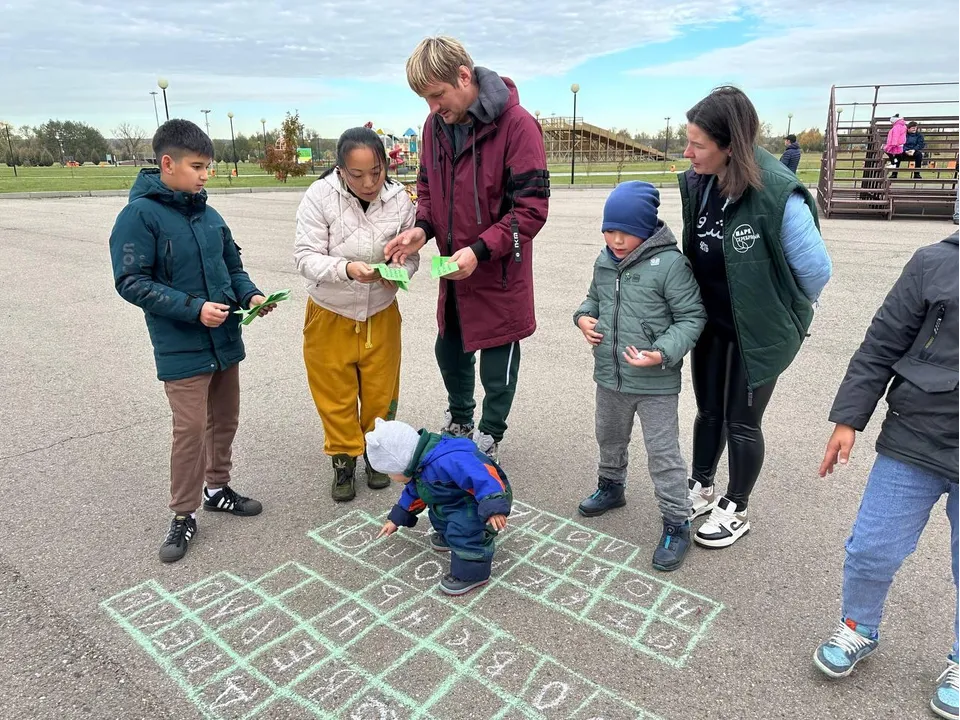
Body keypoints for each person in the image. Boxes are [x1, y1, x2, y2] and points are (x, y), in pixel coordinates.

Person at [108, 119, 276, 564]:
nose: (205, 176)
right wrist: (192, 308)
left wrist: (252, 294)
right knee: (189, 431)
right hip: (181, 345)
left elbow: (232, 268)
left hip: (224, 338)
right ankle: (183, 512)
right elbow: (130, 281)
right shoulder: (138, 216)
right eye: (197, 166)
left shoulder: (209, 214)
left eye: (208, 167)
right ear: (167, 163)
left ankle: (217, 488)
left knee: (225, 418)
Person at [812, 229, 959, 720]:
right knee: (872, 547)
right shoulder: (933, 262)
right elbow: (880, 344)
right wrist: (849, 418)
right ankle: (858, 627)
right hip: (916, 435)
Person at [383, 35, 550, 463]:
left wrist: (479, 250)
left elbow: (531, 211)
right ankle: (460, 419)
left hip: (498, 272)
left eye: (437, 95)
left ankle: (491, 433)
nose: (433, 108)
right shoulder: (434, 126)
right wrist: (421, 230)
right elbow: (428, 189)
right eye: (425, 99)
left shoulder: (518, 125)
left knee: (497, 365)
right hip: (454, 271)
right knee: (450, 349)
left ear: (463, 76)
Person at [679, 86, 833, 548]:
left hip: (758, 330)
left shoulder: (778, 193)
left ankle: (736, 506)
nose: (688, 153)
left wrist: (782, 317)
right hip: (713, 322)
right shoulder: (697, 181)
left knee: (742, 420)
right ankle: (701, 485)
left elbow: (815, 273)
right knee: (709, 411)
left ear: (731, 146)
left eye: (698, 145)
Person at [573, 182, 706, 571]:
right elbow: (593, 299)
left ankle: (677, 522)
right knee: (608, 435)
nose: (615, 239)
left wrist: (662, 351)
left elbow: (692, 317)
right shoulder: (604, 260)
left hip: (655, 384)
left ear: (646, 229)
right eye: (609, 230)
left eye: (625, 231)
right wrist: (582, 318)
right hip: (610, 376)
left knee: (663, 455)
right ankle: (612, 486)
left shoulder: (669, 265)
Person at [294, 127, 420, 502]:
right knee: (335, 393)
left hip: (381, 311)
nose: (369, 182)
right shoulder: (320, 196)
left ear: (386, 164)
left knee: (381, 391)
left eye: (376, 171)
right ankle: (343, 458)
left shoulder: (400, 200)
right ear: (340, 170)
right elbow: (304, 256)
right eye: (357, 174)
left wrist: (399, 273)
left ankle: (376, 455)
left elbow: (411, 255)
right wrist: (347, 269)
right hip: (330, 311)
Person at [366, 417, 512, 596]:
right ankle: (449, 536)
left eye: (390, 472)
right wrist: (396, 519)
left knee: (465, 529)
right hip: (454, 497)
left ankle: (472, 574)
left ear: (401, 462)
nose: (390, 477)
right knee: (438, 512)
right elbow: (414, 493)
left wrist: (494, 507)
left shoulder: (449, 459)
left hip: (483, 497)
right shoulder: (419, 465)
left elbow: (482, 476)